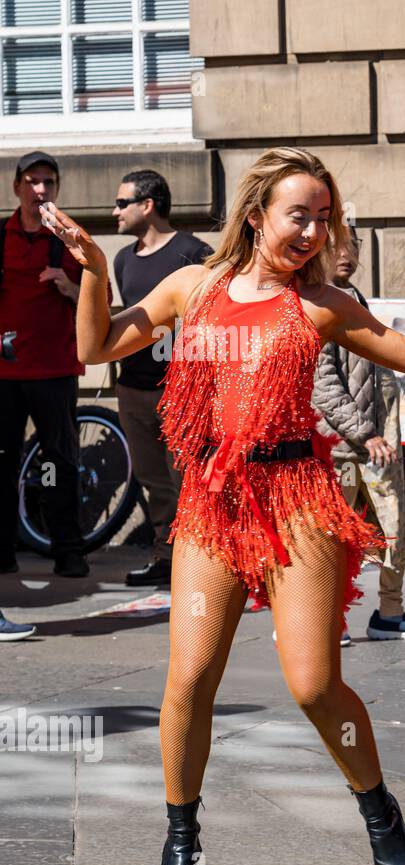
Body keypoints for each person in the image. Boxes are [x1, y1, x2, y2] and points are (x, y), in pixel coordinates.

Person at [42, 147, 405, 865]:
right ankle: (181, 838)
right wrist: (96, 270)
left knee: (311, 683)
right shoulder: (190, 289)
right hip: (211, 502)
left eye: (323, 218)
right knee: (189, 678)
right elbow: (93, 349)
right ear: (258, 211)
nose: (312, 231)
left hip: (299, 496)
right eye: (299, 214)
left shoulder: (323, 305)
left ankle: (378, 809)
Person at [312, 226, 405, 640]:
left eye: (353, 247)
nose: (346, 256)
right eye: (336, 248)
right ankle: (323, 621)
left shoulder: (353, 298)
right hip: (341, 448)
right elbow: (323, 384)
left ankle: (390, 612)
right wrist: (365, 432)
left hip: (377, 445)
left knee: (393, 528)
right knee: (333, 538)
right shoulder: (315, 302)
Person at [112, 169, 214, 586]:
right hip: (133, 389)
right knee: (155, 482)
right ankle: (166, 558)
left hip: (180, 392)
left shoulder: (193, 252)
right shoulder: (122, 259)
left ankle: (202, 562)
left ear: (148, 205)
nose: (114, 211)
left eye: (122, 203)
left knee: (189, 480)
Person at [0, 152, 90, 578]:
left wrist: (68, 285)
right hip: (5, 373)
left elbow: (99, 304)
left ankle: (67, 548)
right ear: (17, 186)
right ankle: (3, 549)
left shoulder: (71, 239)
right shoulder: (1, 236)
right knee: (4, 461)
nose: (40, 190)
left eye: (48, 183)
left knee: (57, 463)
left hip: (54, 371)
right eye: (33, 181)